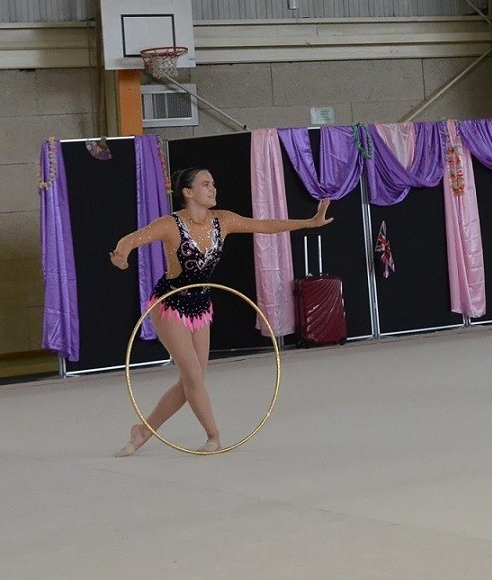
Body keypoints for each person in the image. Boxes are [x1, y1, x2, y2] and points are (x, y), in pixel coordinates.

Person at [109, 167, 333, 456]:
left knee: (192, 381)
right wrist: (122, 253)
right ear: (188, 192)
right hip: (170, 304)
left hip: (201, 305)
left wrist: (309, 222)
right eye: (205, 184)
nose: (213, 188)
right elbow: (133, 238)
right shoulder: (170, 225)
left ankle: (142, 431)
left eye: (213, 183)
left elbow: (264, 225)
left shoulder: (222, 221)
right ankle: (213, 435)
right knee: (192, 377)